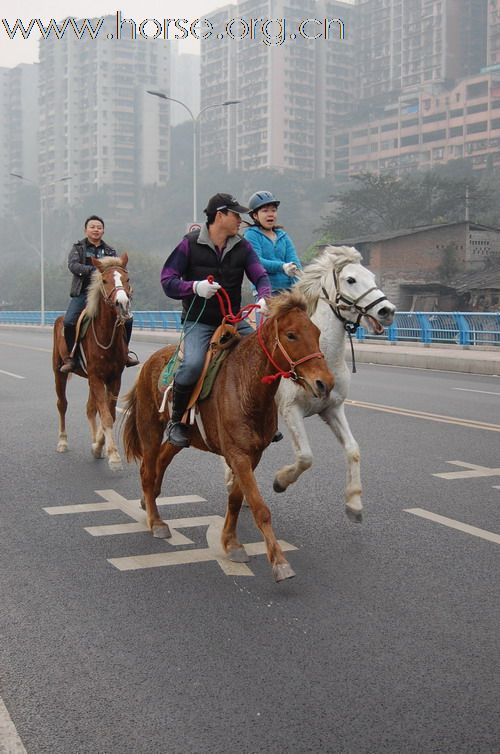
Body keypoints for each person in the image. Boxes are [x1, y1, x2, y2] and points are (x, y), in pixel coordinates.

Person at [160, 192, 272, 448]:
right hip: (199, 322)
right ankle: (175, 421)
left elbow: (260, 276)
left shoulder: (242, 246)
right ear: (219, 216)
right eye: (236, 215)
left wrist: (265, 297)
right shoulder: (189, 244)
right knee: (193, 365)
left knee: (266, 354)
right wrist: (194, 287)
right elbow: (167, 280)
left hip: (232, 320)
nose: (240, 220)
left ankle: (265, 419)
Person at [60, 215, 139, 373]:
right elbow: (73, 266)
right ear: (86, 230)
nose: (96, 230)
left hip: (105, 292)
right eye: (92, 227)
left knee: (128, 319)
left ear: (103, 231)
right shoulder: (78, 248)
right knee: (69, 322)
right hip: (83, 292)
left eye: (99, 227)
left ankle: (125, 352)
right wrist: (95, 271)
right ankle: (71, 357)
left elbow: (116, 269)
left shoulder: (109, 250)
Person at [244, 191, 302, 294]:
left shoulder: (283, 236)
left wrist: (298, 278)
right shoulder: (251, 235)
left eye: (273, 210)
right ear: (255, 215)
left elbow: (294, 261)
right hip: (266, 292)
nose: (270, 214)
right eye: (265, 211)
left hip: (289, 291)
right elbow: (257, 261)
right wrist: (282, 267)